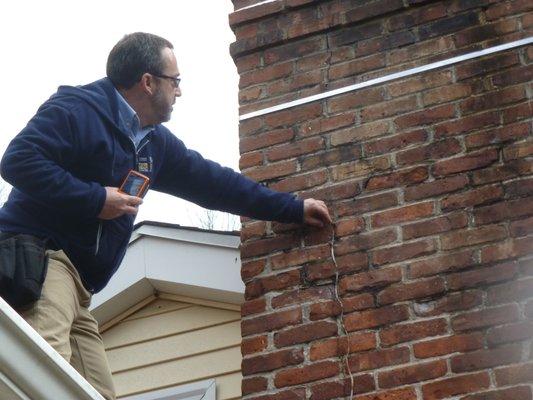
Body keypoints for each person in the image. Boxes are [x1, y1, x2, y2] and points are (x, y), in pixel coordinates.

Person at [0, 32, 331, 399]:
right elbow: (18, 161)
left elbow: (215, 184)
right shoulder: (78, 109)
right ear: (148, 82)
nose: (180, 91)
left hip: (80, 289)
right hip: (45, 260)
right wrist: (95, 199)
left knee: (93, 393)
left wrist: (292, 208)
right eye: (175, 81)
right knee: (43, 368)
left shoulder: (154, 144)